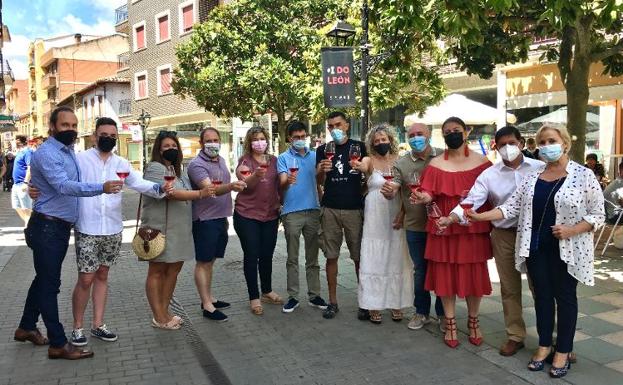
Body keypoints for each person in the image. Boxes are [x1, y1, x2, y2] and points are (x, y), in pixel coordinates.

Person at [467, 125, 604, 378]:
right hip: (535, 247)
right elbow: (510, 208)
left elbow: (598, 215)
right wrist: (478, 216)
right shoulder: (533, 177)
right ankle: (544, 345)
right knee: (541, 296)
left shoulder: (583, 175)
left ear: (564, 143)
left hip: (567, 249)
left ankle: (563, 350)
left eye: (551, 140)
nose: (546, 145)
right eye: (541, 141)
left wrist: (573, 230)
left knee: (565, 298)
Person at [15, 106, 123, 360]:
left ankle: (26, 327)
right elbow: (63, 185)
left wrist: (35, 186)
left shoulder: (69, 152)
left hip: (59, 227)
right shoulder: (47, 152)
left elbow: (52, 182)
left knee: (43, 279)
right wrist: (102, 187)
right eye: (65, 125)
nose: (71, 130)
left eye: (74, 126)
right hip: (47, 227)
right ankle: (58, 343)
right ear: (52, 127)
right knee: (50, 284)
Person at [436, 125, 543, 356]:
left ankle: (553, 340)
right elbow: (471, 200)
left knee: (543, 287)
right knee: (509, 288)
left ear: (521, 143)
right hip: (504, 234)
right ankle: (515, 335)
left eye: (512, 143)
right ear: (496, 146)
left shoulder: (539, 168)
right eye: (502, 144)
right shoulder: (490, 175)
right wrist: (452, 218)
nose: (507, 148)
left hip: (535, 234)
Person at [68, 118, 167, 345]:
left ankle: (98, 325)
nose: (109, 139)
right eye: (104, 134)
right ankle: (77, 327)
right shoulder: (80, 160)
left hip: (112, 228)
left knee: (103, 275)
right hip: (87, 227)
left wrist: (161, 189)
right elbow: (66, 184)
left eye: (113, 136)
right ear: (94, 136)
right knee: (86, 279)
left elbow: (140, 184)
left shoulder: (121, 163)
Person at [410, 116, 492, 349]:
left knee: (474, 274)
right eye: (447, 132)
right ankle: (450, 321)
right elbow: (427, 194)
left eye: (456, 130)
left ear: (466, 132)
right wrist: (422, 196)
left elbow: (492, 193)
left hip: (472, 228)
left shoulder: (483, 163)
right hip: (443, 229)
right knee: (445, 275)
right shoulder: (435, 164)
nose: (452, 134)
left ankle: (474, 320)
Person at [141, 131, 215, 330]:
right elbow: (171, 194)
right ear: (158, 149)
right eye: (166, 147)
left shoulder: (177, 170)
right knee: (157, 270)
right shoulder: (155, 168)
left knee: (173, 270)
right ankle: (158, 316)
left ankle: (165, 311)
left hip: (180, 229)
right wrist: (200, 193)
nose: (171, 150)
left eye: (174, 146)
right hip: (160, 229)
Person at [353, 124, 413, 324]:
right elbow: (362, 166)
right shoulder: (369, 160)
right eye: (377, 140)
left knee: (397, 257)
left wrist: (403, 213)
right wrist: (357, 165)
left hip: (396, 213)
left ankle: (397, 303)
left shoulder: (400, 160)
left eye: (384, 139)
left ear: (391, 140)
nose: (381, 143)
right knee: (375, 258)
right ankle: (373, 304)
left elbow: (406, 188)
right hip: (375, 215)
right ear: (371, 143)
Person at [388, 122, 445, 331]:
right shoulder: (401, 163)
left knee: (440, 269)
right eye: (411, 135)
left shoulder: (443, 157)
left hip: (441, 225)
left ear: (429, 134)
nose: (416, 138)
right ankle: (421, 312)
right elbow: (394, 186)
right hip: (415, 226)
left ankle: (443, 314)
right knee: (420, 270)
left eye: (420, 134)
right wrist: (389, 190)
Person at [188, 127, 245, 322]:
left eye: (216, 140)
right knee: (203, 262)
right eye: (209, 140)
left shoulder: (220, 160)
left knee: (211, 261)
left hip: (221, 217)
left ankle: (209, 297)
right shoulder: (196, 165)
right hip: (204, 219)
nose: (213, 144)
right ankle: (206, 305)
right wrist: (231, 186)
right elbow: (209, 189)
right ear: (201, 143)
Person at [316, 111, 368, 319]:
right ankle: (332, 302)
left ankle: (364, 303)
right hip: (330, 208)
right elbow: (319, 181)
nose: (334, 129)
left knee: (358, 258)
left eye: (338, 125)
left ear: (347, 125)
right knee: (331, 256)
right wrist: (321, 170)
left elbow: (369, 174)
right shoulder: (323, 149)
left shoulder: (359, 147)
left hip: (354, 209)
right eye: (330, 126)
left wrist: (362, 193)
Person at [277, 121, 328, 313]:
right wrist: (287, 180)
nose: (300, 140)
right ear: (289, 138)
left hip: (313, 210)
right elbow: (281, 183)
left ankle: (314, 295)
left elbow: (320, 181)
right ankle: (293, 296)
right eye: (296, 137)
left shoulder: (315, 156)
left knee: (312, 258)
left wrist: (322, 171)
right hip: (291, 212)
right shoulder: (283, 158)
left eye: (302, 136)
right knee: (292, 257)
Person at [234, 126, 283, 315]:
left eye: (262, 138)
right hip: (247, 215)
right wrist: (255, 175)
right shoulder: (244, 161)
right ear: (249, 142)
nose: (259, 142)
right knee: (251, 255)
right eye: (255, 139)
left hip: (270, 215)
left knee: (267, 255)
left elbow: (279, 185)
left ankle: (267, 291)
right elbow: (245, 183)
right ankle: (254, 297)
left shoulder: (274, 161)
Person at [11, 135, 33, 226]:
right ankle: (31, 225)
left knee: (27, 209)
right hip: (16, 184)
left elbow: (30, 167)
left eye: (15, 140)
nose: (13, 142)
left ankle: (28, 231)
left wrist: (26, 182)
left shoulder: (28, 152)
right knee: (16, 206)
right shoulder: (20, 152)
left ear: (19, 141)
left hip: (23, 184)